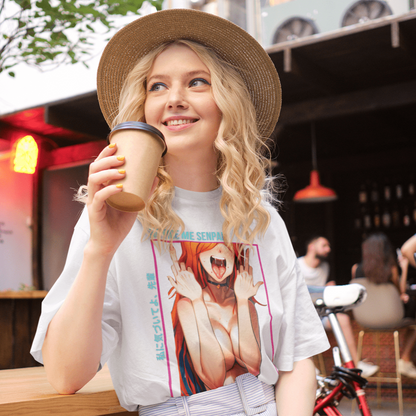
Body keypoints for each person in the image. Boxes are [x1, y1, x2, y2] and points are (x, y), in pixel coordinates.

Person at [30, 9, 329, 416]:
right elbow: (66, 375)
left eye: (197, 82)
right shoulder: (111, 216)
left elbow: (297, 359)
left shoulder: (262, 219)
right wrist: (100, 250)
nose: (174, 98)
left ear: (228, 101)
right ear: (143, 106)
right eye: (157, 86)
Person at [298, 235, 379, 378]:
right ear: (311, 247)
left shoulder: (325, 267)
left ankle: (355, 365)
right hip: (301, 315)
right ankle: (307, 368)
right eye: (324, 245)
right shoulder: (297, 265)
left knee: (343, 319)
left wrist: (327, 289)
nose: (328, 249)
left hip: (319, 314)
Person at [352, 232, 416, 379]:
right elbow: (400, 292)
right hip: (391, 319)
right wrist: (404, 267)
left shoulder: (356, 269)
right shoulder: (391, 269)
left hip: (364, 320)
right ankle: (405, 360)